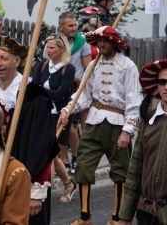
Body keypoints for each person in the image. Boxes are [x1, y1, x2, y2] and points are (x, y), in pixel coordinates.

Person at [58, 26, 143, 225]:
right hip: (94, 122)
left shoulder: (127, 66)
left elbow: (134, 101)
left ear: (114, 42)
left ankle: (116, 218)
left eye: (105, 41)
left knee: (120, 172)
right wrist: (67, 110)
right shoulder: (93, 65)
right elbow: (83, 95)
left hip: (118, 124)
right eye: (98, 41)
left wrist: (127, 131)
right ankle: (85, 217)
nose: (101, 44)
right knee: (84, 168)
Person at [0, 35, 60, 225]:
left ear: (17, 61)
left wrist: (36, 191)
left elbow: (43, 147)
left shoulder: (34, 97)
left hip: (24, 179)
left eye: (4, 58)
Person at [119, 59, 167, 225]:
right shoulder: (148, 119)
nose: (166, 87)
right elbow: (135, 169)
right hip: (146, 213)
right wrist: (125, 216)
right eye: (162, 82)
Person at [33, 33, 77, 203]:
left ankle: (49, 188)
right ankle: (67, 183)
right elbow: (34, 85)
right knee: (48, 152)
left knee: (51, 151)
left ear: (61, 49)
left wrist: (40, 92)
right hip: (42, 113)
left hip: (59, 115)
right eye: (47, 47)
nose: (48, 50)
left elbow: (60, 94)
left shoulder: (68, 68)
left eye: (51, 48)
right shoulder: (43, 65)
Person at [58, 11, 92, 174]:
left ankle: (77, 157)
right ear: (61, 27)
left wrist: (83, 86)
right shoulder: (55, 43)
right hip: (58, 88)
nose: (74, 28)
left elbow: (88, 67)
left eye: (75, 25)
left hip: (75, 91)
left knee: (70, 125)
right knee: (62, 125)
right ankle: (64, 160)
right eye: (70, 25)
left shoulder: (82, 42)